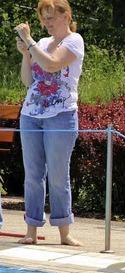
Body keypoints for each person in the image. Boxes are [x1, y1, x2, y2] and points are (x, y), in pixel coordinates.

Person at [14, 0, 84, 246]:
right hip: (31, 114)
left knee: (57, 175)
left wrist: (30, 42)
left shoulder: (74, 40)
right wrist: (26, 54)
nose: (47, 23)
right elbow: (27, 80)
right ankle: (31, 231)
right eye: (44, 18)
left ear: (66, 16)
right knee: (33, 175)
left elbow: (52, 64)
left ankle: (64, 232)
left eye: (51, 17)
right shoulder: (41, 43)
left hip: (61, 114)